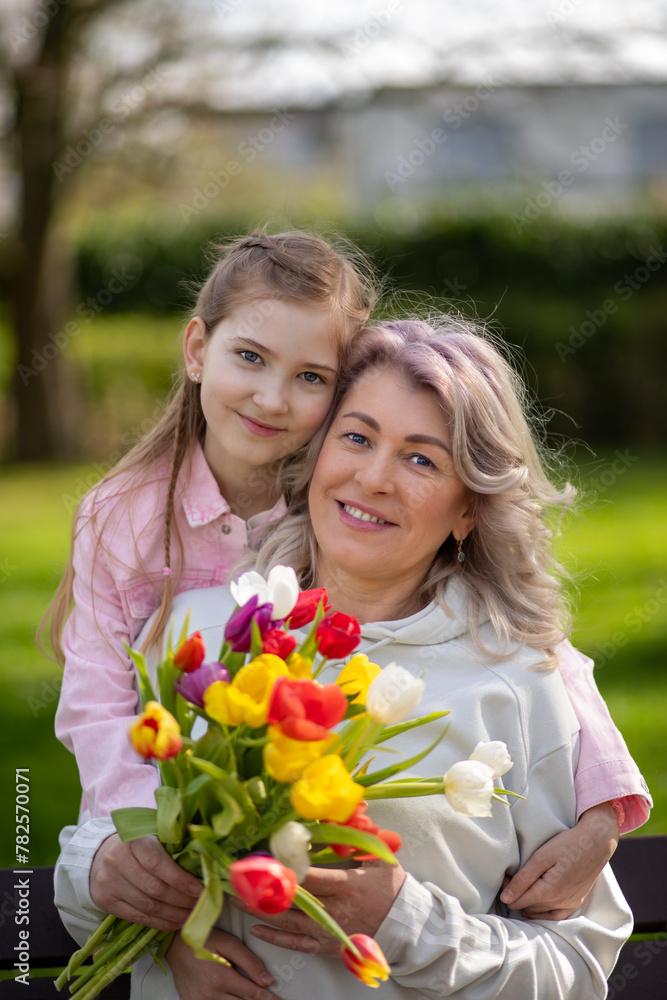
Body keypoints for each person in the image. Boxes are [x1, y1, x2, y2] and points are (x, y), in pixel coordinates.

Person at [56, 317, 641, 999]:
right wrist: (100, 876)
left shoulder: (519, 683)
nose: (373, 478)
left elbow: (576, 968)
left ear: (467, 510)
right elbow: (106, 839)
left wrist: (405, 924)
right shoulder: (200, 634)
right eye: (357, 438)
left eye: (421, 459)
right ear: (314, 454)